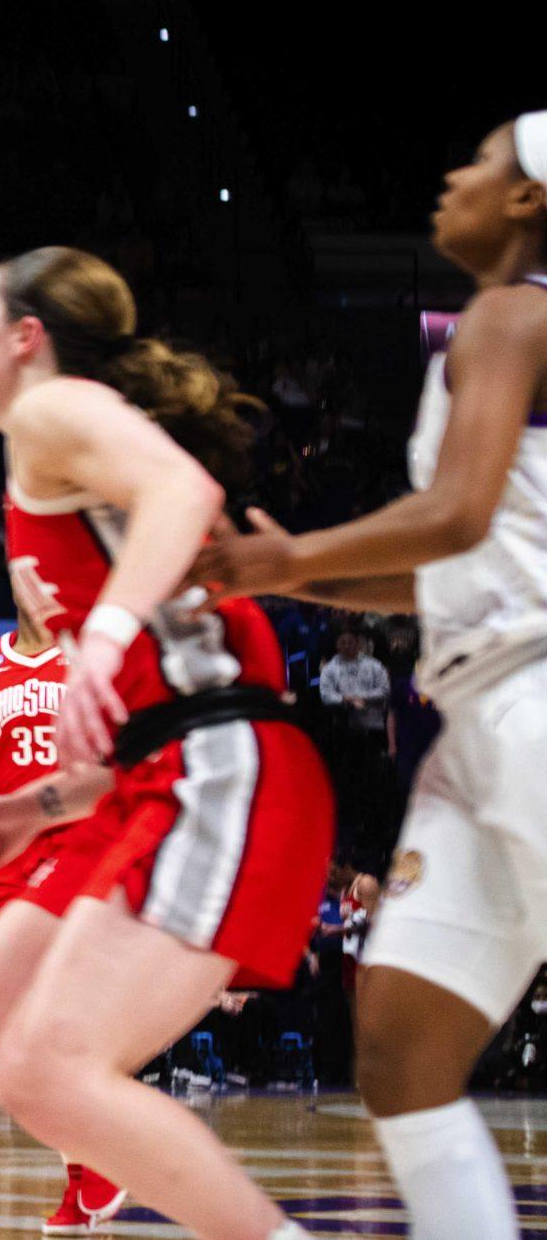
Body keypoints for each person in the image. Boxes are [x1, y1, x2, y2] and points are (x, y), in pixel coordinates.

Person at [0, 246, 331, 1240]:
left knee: (42, 1070)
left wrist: (104, 633)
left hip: (223, 766)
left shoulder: (50, 410)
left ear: (25, 338)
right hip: (158, 776)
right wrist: (31, 806)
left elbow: (183, 491)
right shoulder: (58, 469)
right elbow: (139, 718)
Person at [192, 114, 547, 1240]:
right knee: (398, 1047)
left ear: (529, 197)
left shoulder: (510, 309)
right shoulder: (497, 327)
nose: (454, 175)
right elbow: (441, 566)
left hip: (535, 692)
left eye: (482, 160)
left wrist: (288, 555)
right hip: (478, 705)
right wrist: (291, 581)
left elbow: (455, 514)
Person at [0, 596, 125, 1234]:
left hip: (75, 847)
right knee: (25, 1027)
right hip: (4, 863)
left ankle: (97, 1162)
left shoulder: (85, 659)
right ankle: (87, 1170)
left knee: (51, 1015)